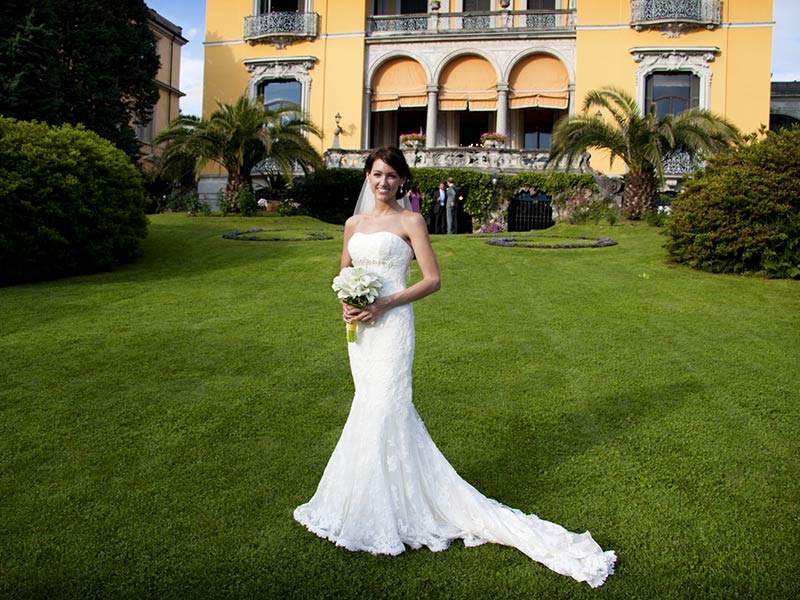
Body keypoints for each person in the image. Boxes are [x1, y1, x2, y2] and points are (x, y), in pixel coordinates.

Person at [293, 146, 616, 588]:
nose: (383, 182)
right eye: (377, 174)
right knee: (368, 406)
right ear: (366, 177)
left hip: (393, 328)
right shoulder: (353, 224)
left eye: (391, 175)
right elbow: (344, 274)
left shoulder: (411, 222)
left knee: (389, 407)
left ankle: (399, 504)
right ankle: (365, 497)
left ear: (402, 180)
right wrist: (349, 304)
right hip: (361, 333)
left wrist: (385, 301)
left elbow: (432, 280)